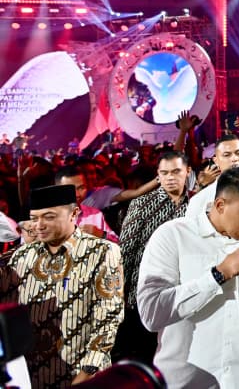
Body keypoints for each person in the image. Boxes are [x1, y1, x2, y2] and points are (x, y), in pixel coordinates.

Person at [137, 165, 239, 388]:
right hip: (186, 380)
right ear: (220, 205)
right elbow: (152, 314)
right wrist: (218, 274)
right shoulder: (172, 236)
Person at [0, 184, 124, 387]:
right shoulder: (23, 255)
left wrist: (87, 372)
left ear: (74, 214)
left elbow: (108, 318)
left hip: (82, 376)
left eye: (48, 217)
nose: (38, 225)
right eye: (34, 218)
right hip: (33, 378)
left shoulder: (101, 252)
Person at [112, 151, 191, 362]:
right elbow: (126, 250)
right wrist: (120, 293)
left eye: (176, 171)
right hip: (144, 292)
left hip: (184, 290)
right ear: (158, 175)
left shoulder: (197, 205)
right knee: (145, 356)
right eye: (164, 173)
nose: (170, 177)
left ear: (188, 172)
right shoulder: (142, 203)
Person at [184, 134, 239, 220]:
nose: (234, 158)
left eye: (238, 153)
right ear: (216, 161)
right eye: (227, 155)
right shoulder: (200, 200)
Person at [54, 165, 120, 242]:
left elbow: (118, 244)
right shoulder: (46, 217)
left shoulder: (96, 214)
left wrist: (102, 234)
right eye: (69, 189)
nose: (77, 194)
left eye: (81, 188)